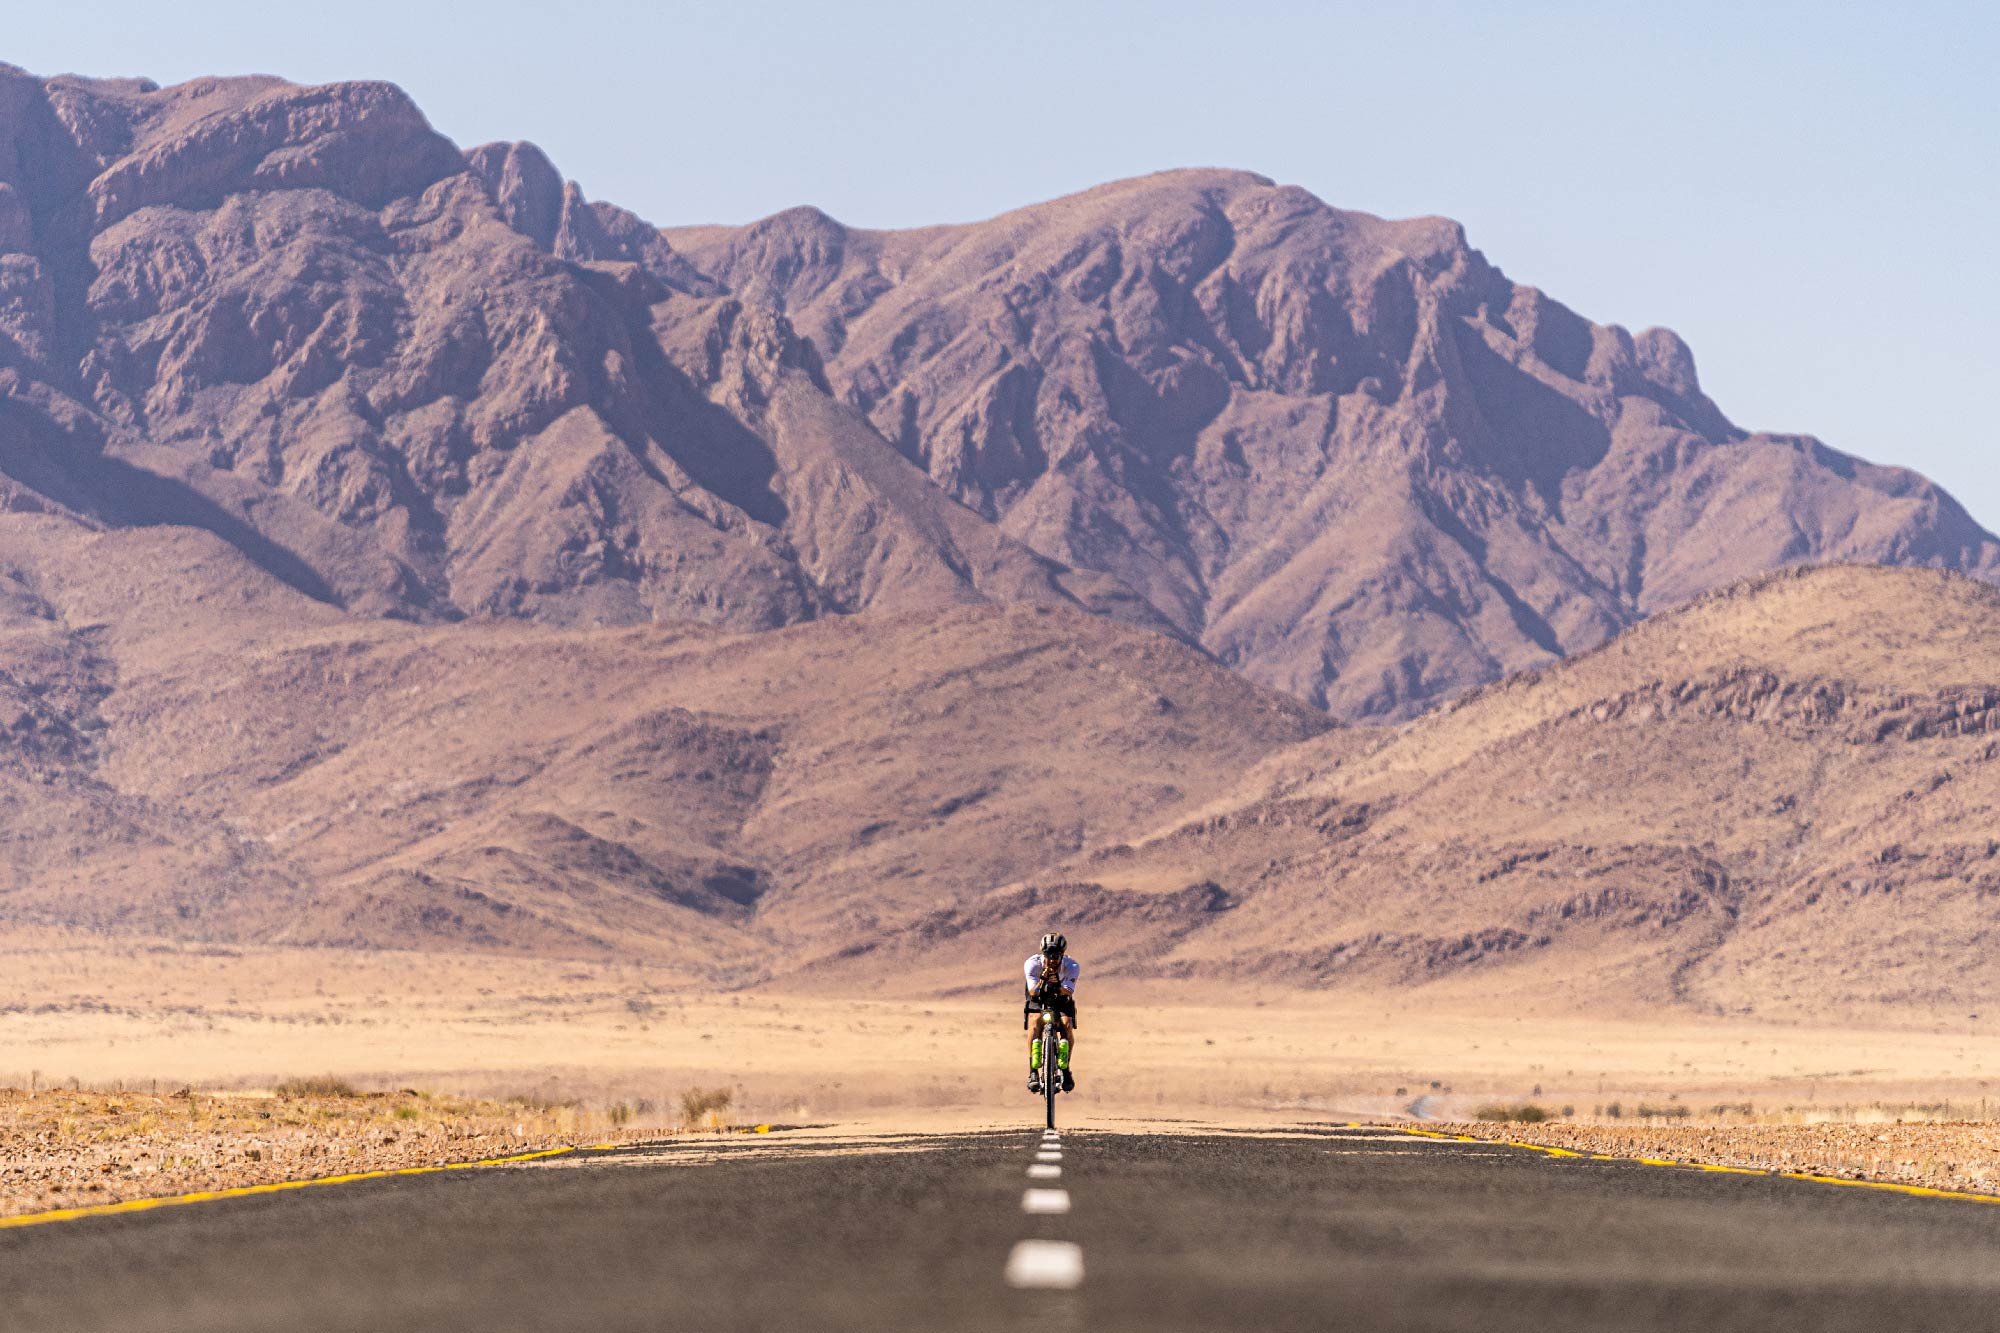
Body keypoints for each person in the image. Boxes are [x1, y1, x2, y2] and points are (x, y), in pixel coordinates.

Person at [1024, 932, 1079, 1093]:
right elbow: (1033, 993)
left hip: (1061, 996)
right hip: (1038, 994)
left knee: (1066, 1025)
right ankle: (1033, 1072)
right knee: (1035, 1023)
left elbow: (1068, 992)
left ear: (1062, 954)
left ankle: (1066, 1070)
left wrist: (1057, 984)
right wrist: (1042, 979)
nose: (1052, 959)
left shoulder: (1072, 966)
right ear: (1043, 953)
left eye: (1056, 955)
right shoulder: (1032, 964)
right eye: (1048, 954)